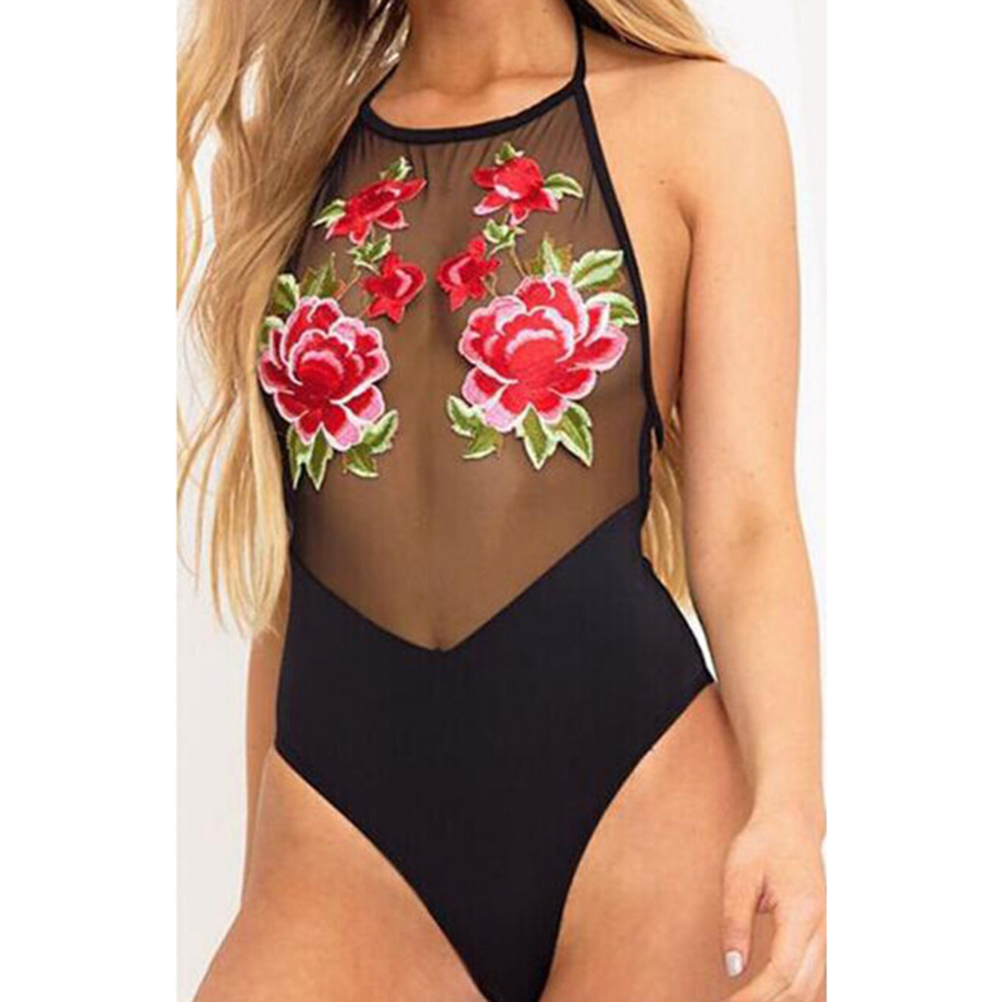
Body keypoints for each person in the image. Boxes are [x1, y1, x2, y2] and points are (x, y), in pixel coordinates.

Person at [178, 1, 826, 999]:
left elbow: (746, 524)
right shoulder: (293, 148)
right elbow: (288, 557)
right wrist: (262, 870)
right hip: (341, 838)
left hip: (642, 806)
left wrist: (790, 810)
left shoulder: (705, 121)